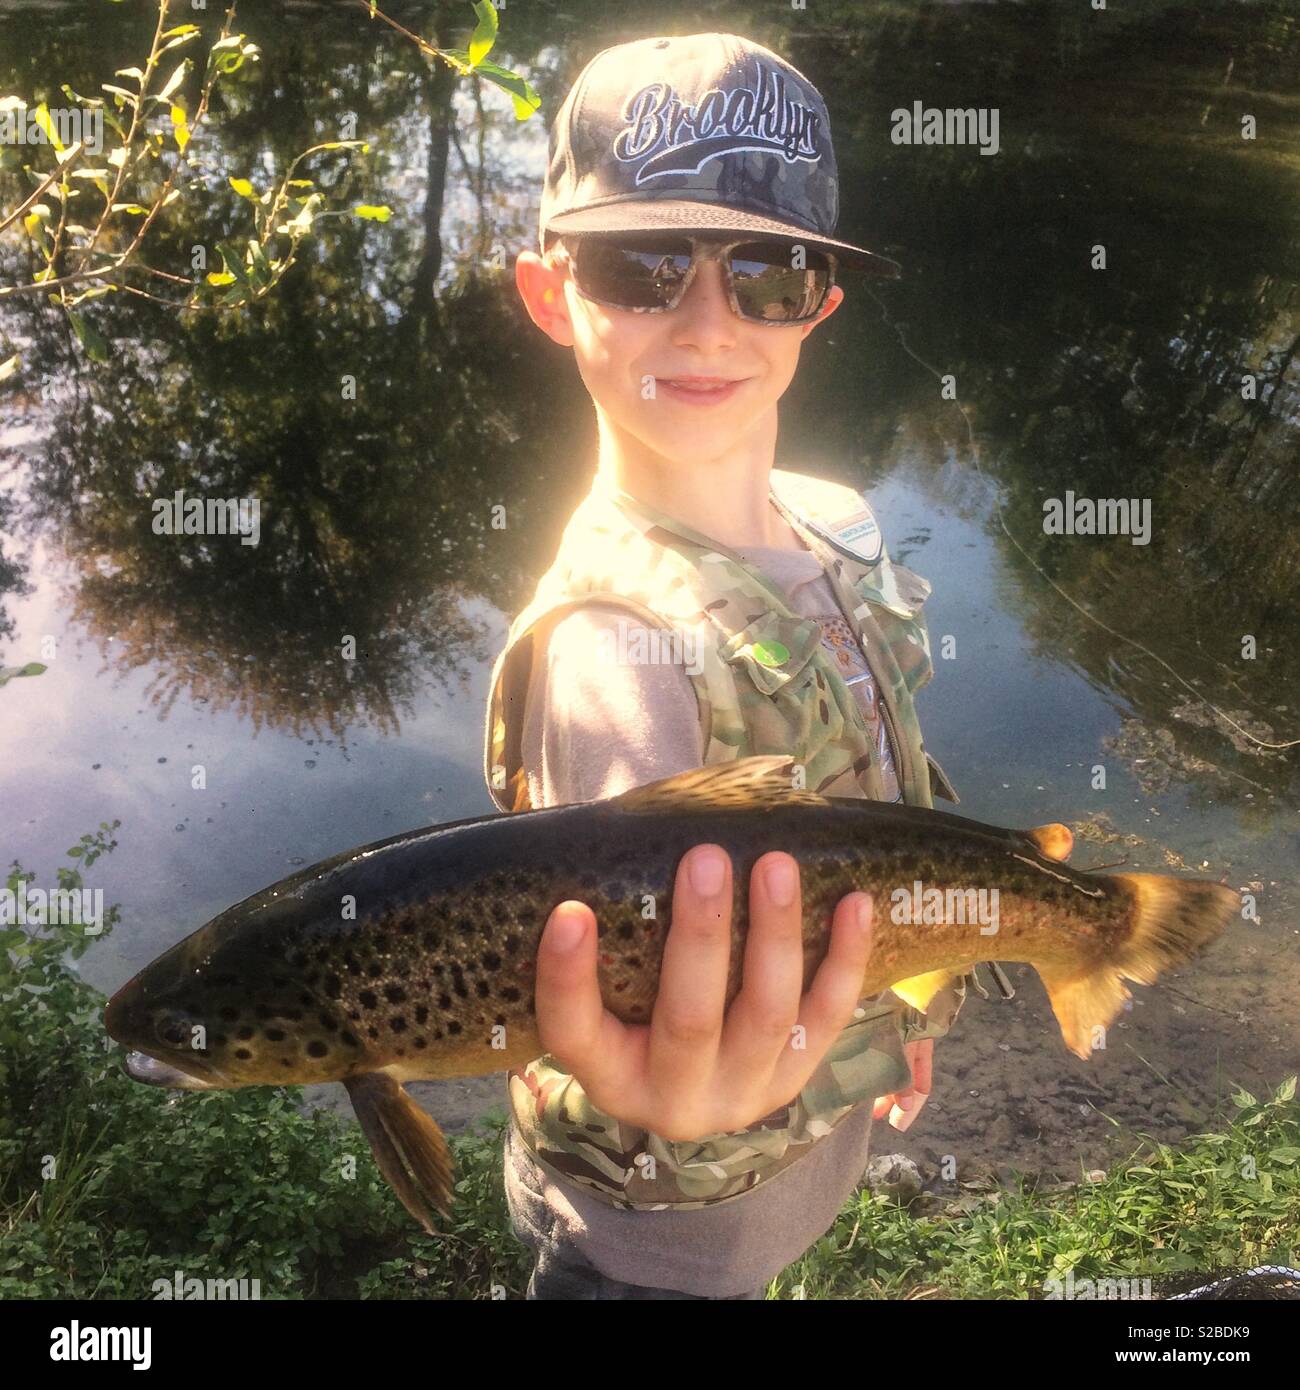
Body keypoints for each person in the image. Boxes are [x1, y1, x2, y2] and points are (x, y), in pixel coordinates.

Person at [482, 31, 968, 1300]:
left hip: (801, 1170)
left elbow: (880, 782)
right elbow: (641, 1016)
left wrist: (903, 1008)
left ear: (820, 302)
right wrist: (656, 1068)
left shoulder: (827, 521)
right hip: (654, 1251)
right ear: (549, 292)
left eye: (767, 270)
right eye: (641, 266)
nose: (707, 320)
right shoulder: (613, 655)